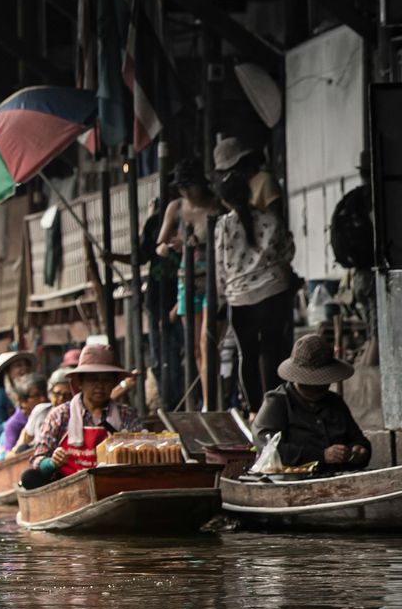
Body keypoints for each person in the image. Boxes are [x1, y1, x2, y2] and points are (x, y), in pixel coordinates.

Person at [211, 135, 297, 414]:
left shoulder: (223, 226)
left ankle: (255, 411)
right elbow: (287, 251)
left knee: (246, 355)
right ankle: (276, 405)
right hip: (273, 292)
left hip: (240, 298)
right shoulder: (269, 219)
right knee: (273, 350)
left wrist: (223, 299)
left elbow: (221, 268)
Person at [17, 338, 139, 488]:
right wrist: (51, 462)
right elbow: (36, 458)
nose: (100, 386)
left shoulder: (125, 414)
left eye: (106, 380)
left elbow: (139, 451)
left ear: (113, 383)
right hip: (68, 484)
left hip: (113, 484)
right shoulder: (60, 415)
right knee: (29, 478)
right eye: (93, 380)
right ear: (79, 383)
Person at [254, 333, 371, 469]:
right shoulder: (277, 403)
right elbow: (267, 447)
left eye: (323, 382)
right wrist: (321, 455)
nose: (318, 387)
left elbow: (357, 438)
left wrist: (360, 449)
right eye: (311, 383)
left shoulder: (335, 402)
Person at [155, 163, 219, 410]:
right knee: (193, 347)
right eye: (182, 188)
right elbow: (159, 245)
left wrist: (200, 243)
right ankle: (202, 400)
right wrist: (176, 245)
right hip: (186, 279)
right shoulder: (177, 208)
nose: (187, 193)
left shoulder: (215, 206)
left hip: (211, 279)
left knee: (207, 342)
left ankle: (209, 401)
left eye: (189, 186)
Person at [0, 349, 34, 451]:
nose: (24, 368)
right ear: (7, 372)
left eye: (25, 365)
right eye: (18, 365)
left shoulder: (34, 393)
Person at [0, 373, 46, 458]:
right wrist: (21, 443)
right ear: (22, 401)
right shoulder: (13, 424)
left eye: (44, 394)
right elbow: (8, 458)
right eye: (36, 395)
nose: (43, 399)